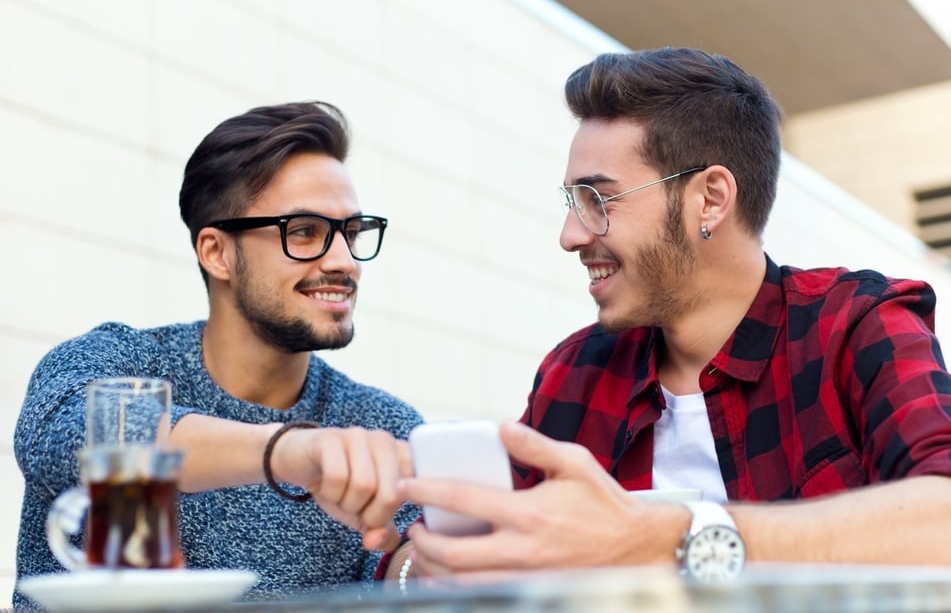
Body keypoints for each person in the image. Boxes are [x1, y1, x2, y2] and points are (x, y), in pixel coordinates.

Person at [396, 48, 951, 581]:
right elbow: (448, 556)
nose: (570, 236)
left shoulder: (854, 325)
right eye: (572, 202)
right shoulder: (576, 374)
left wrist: (674, 538)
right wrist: (418, 555)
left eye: (599, 199)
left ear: (710, 199)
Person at [14, 101, 423, 608]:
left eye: (352, 233)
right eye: (303, 232)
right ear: (216, 252)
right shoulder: (113, 362)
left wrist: (423, 564)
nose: (343, 261)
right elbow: (67, 436)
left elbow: (402, 567)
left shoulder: (382, 427)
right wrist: (291, 452)